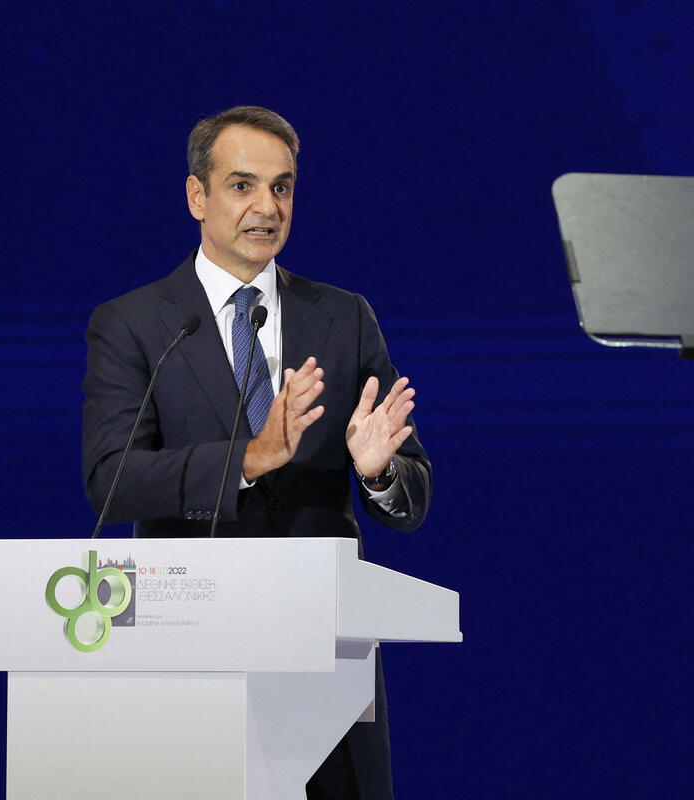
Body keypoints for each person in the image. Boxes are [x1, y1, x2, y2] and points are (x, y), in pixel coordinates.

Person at [82, 105, 432, 800]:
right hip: (191, 642)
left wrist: (378, 472)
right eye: (242, 185)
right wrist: (248, 458)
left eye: (283, 187)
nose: (267, 208)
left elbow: (412, 494)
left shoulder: (343, 317)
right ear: (197, 196)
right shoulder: (137, 324)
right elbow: (111, 480)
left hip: (326, 650)